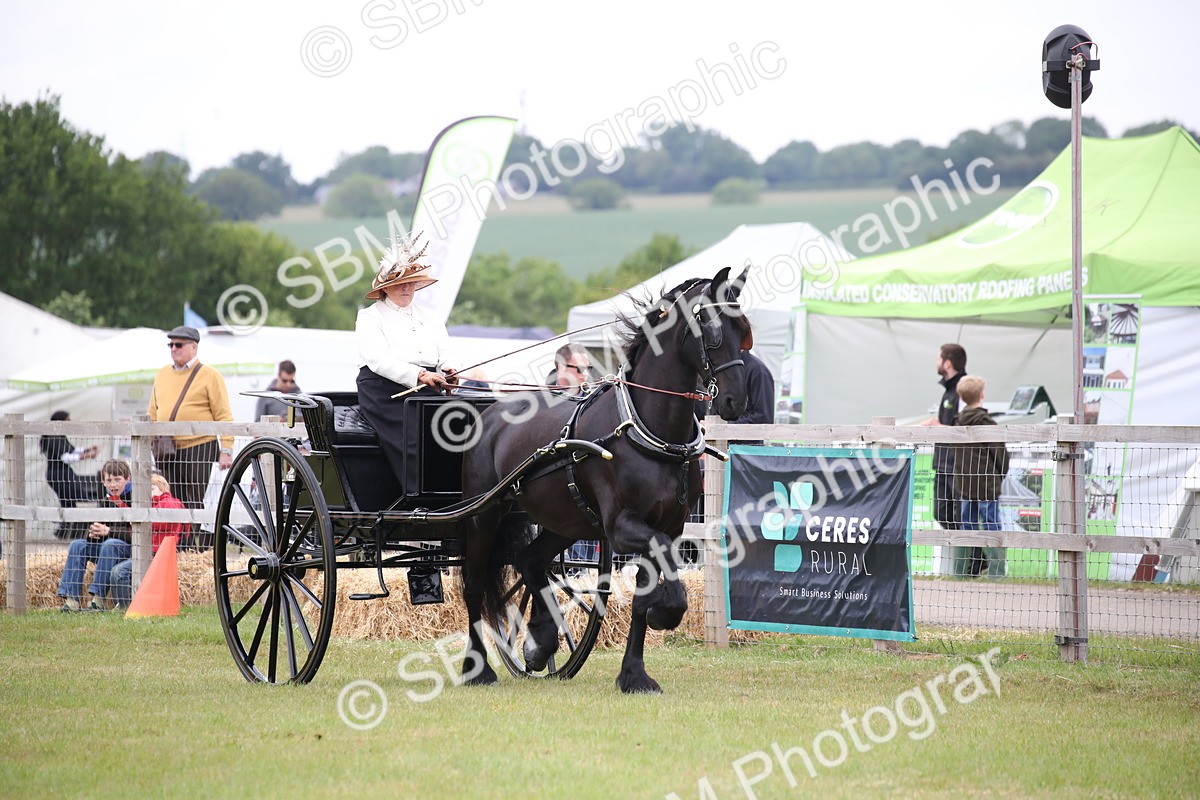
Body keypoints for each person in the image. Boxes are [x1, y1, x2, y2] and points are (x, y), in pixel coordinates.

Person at [356, 234, 459, 485]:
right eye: (401, 283)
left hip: (429, 387)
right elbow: (378, 360)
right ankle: (418, 493)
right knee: (417, 433)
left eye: (411, 283)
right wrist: (419, 375)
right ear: (385, 288)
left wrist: (450, 370)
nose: (406, 288)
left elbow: (446, 352)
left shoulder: (431, 317)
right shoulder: (370, 318)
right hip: (384, 391)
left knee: (460, 420)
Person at [147, 325, 234, 548]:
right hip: (167, 447)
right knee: (170, 499)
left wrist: (226, 449)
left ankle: (202, 550)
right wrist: (149, 439)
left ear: (194, 348)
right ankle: (177, 547)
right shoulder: (162, 374)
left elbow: (224, 415)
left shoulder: (210, 375)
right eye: (171, 345)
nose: (174, 349)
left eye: (179, 345)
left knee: (195, 500)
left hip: (200, 445)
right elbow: (152, 412)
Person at [953, 375, 1010, 577]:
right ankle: (997, 572)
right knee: (992, 526)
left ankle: (962, 572)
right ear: (982, 395)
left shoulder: (957, 423)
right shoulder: (987, 423)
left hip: (965, 485)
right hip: (986, 485)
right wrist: (999, 476)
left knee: (966, 527)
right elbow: (1000, 455)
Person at [56, 459, 132, 611]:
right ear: (103, 482)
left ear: (128, 479)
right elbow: (97, 531)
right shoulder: (106, 500)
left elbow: (138, 534)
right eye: (109, 480)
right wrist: (92, 533)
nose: (113, 485)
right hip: (107, 551)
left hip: (129, 550)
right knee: (78, 545)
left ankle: (98, 598)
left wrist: (109, 532)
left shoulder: (134, 499)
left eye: (118, 480)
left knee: (109, 544)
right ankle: (72, 600)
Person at [109, 473, 187, 608]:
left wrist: (140, 521)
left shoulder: (169, 502)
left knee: (119, 572)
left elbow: (164, 522)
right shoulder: (151, 506)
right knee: (118, 571)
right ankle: (125, 606)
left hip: (158, 555)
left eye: (152, 489)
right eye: (146, 490)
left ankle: (125, 608)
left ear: (163, 489)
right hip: (148, 553)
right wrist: (121, 504)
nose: (149, 493)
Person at [921, 343, 967, 536]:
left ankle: (975, 561)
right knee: (941, 513)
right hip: (942, 463)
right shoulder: (948, 391)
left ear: (947, 363)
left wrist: (938, 426)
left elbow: (966, 428)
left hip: (957, 464)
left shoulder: (964, 387)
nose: (937, 362)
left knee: (959, 515)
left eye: (939, 358)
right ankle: (967, 557)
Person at [39, 410, 101, 539]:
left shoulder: (59, 436)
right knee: (68, 503)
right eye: (67, 420)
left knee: (68, 503)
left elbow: (72, 450)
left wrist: (87, 449)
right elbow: (65, 457)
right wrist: (87, 455)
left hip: (62, 474)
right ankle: (66, 533)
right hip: (58, 475)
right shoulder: (53, 438)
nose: (69, 422)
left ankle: (65, 533)